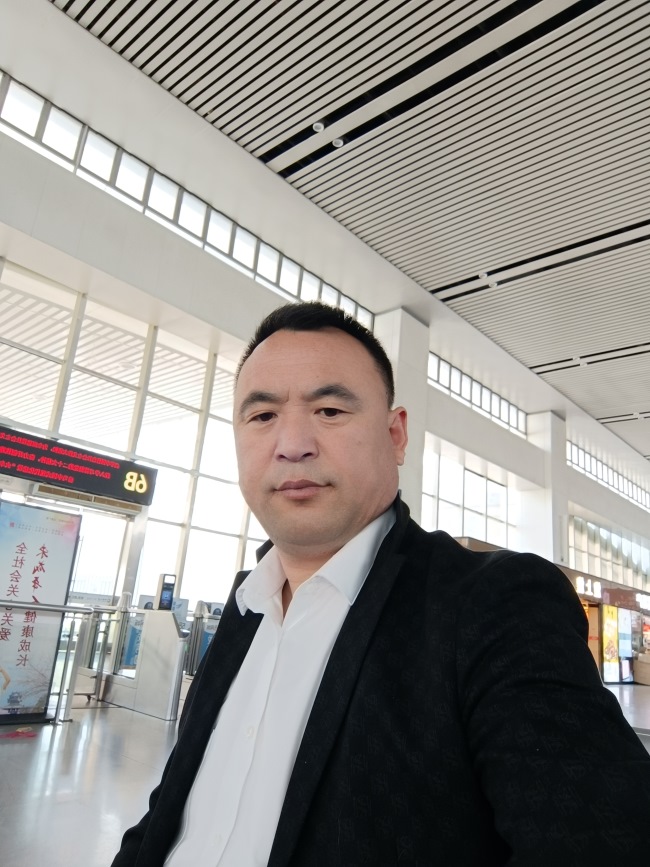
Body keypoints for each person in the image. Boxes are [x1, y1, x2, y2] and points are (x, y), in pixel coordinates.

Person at [112, 302, 650, 866]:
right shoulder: (246, 607)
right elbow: (172, 812)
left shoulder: (494, 605)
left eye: (328, 410)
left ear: (395, 436)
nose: (291, 443)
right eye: (263, 416)